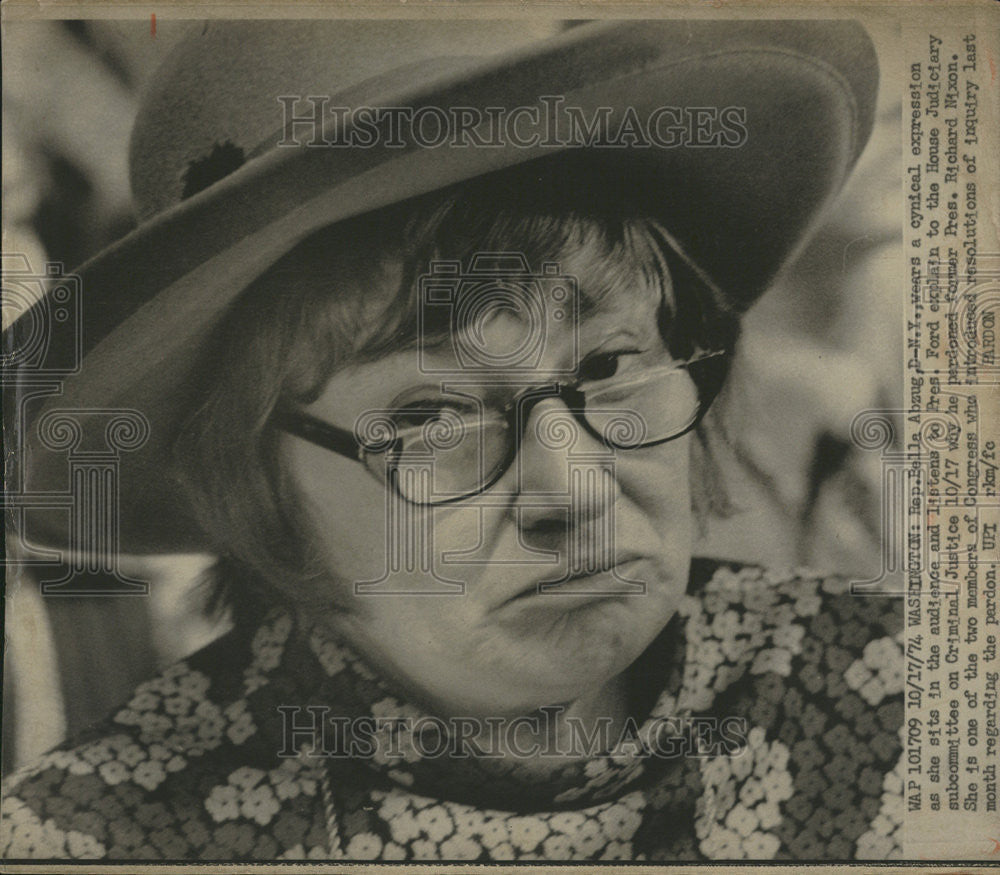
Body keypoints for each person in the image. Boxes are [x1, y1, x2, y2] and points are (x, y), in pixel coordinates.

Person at [1, 18, 904, 862]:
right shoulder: (93, 839)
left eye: (608, 367)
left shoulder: (907, 701)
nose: (576, 491)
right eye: (434, 418)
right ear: (251, 486)